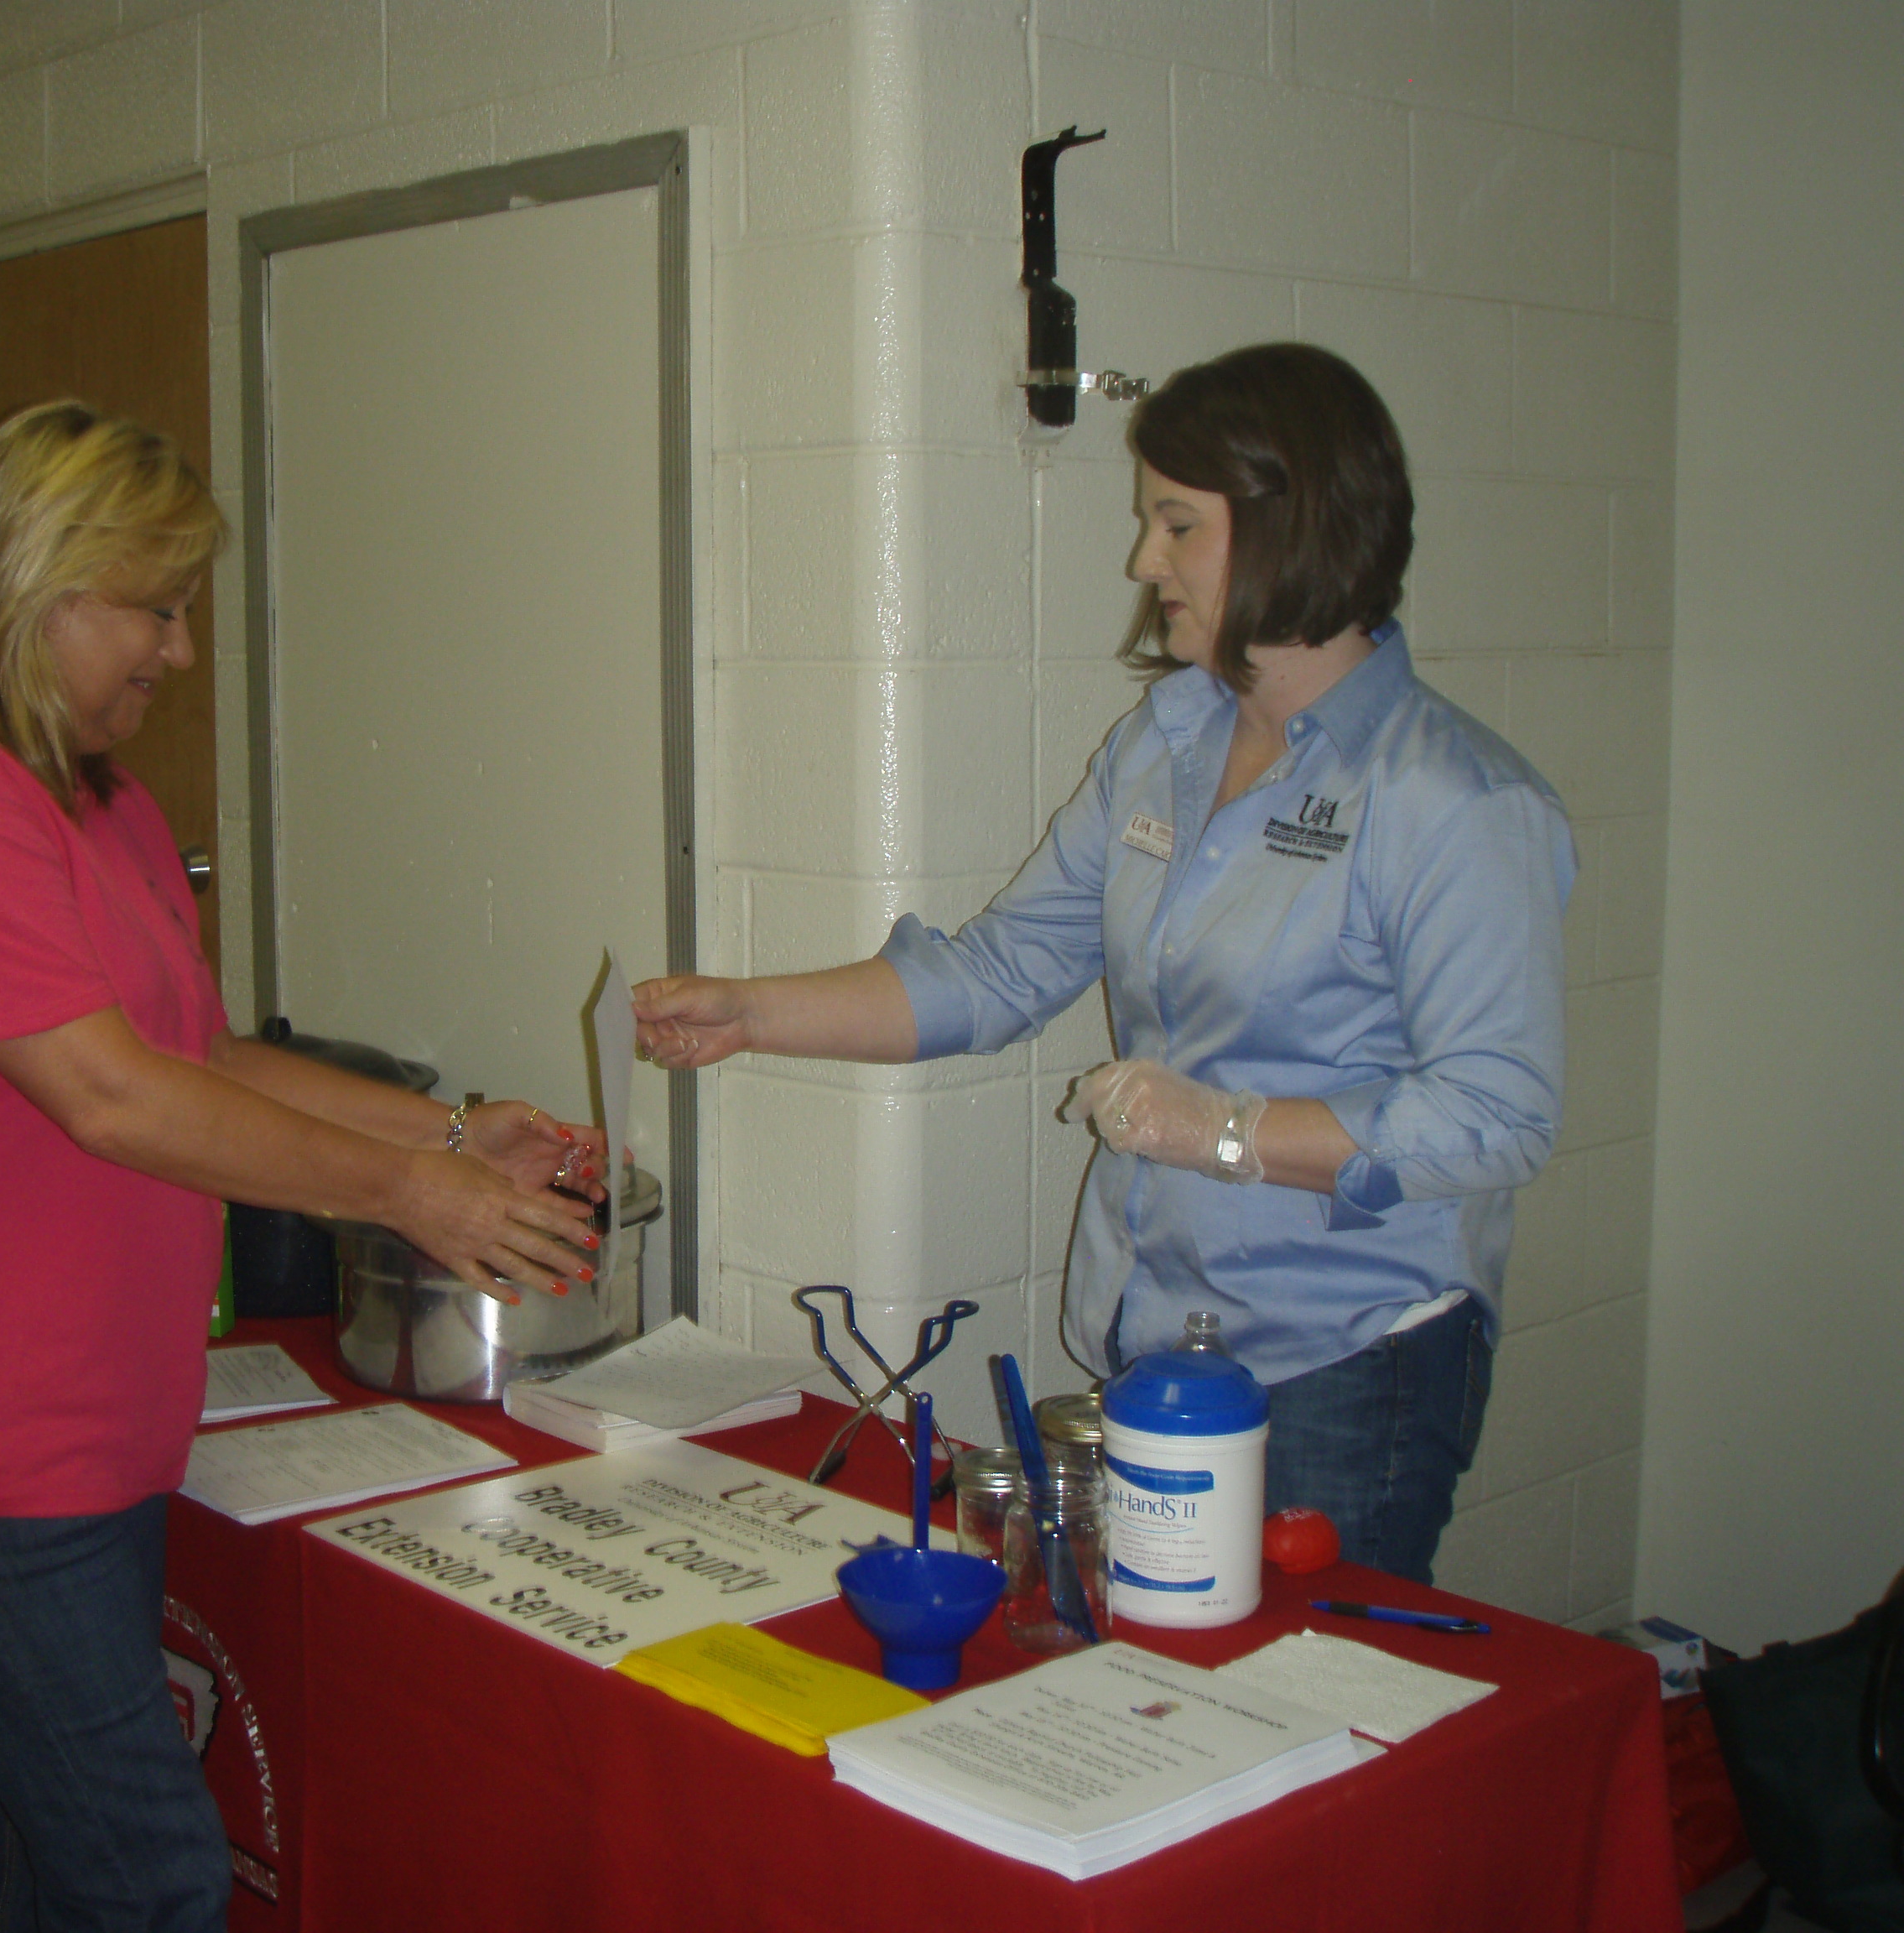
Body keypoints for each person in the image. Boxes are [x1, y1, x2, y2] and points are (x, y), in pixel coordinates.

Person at [0, 400, 603, 1930]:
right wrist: (410, 1197)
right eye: (151, 609)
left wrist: (444, 1130)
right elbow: (108, 1100)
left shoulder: (98, 805)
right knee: (152, 1874)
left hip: (78, 1433)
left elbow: (200, 1060)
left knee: (36, 1854)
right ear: (36, 587)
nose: (174, 649)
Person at [635, 343, 1572, 1585]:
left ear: (1295, 525)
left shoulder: (1452, 799)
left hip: (1343, 1368)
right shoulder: (1167, 740)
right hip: (1153, 1339)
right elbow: (1002, 970)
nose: (1143, 563)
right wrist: (750, 1012)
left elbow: (1498, 1118)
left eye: (1177, 525)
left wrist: (1225, 1133)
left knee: (1296, 1732)